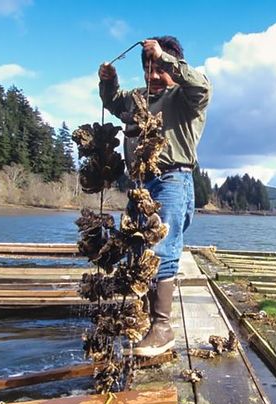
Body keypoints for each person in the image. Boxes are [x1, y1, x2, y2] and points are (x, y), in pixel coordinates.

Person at [98, 36, 211, 357]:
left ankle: (162, 328)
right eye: (148, 69)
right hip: (139, 183)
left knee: (161, 250)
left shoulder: (186, 97)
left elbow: (203, 86)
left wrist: (163, 57)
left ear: (171, 66)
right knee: (137, 251)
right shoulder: (138, 99)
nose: (152, 75)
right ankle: (147, 321)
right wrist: (109, 82)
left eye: (158, 68)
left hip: (173, 180)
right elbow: (115, 103)